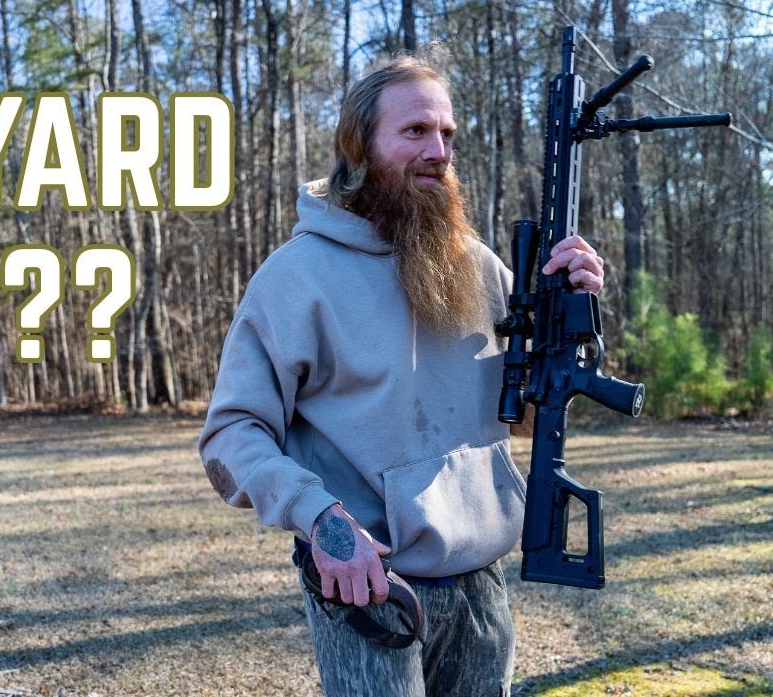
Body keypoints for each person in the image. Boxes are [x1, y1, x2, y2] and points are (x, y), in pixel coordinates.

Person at [197, 54, 605, 696]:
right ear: (360, 147)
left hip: (481, 579)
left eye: (446, 134)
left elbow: (531, 410)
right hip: (369, 584)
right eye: (415, 131)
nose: (438, 152)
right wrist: (320, 518)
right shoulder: (296, 278)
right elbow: (231, 433)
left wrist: (576, 318)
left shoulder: (477, 266)